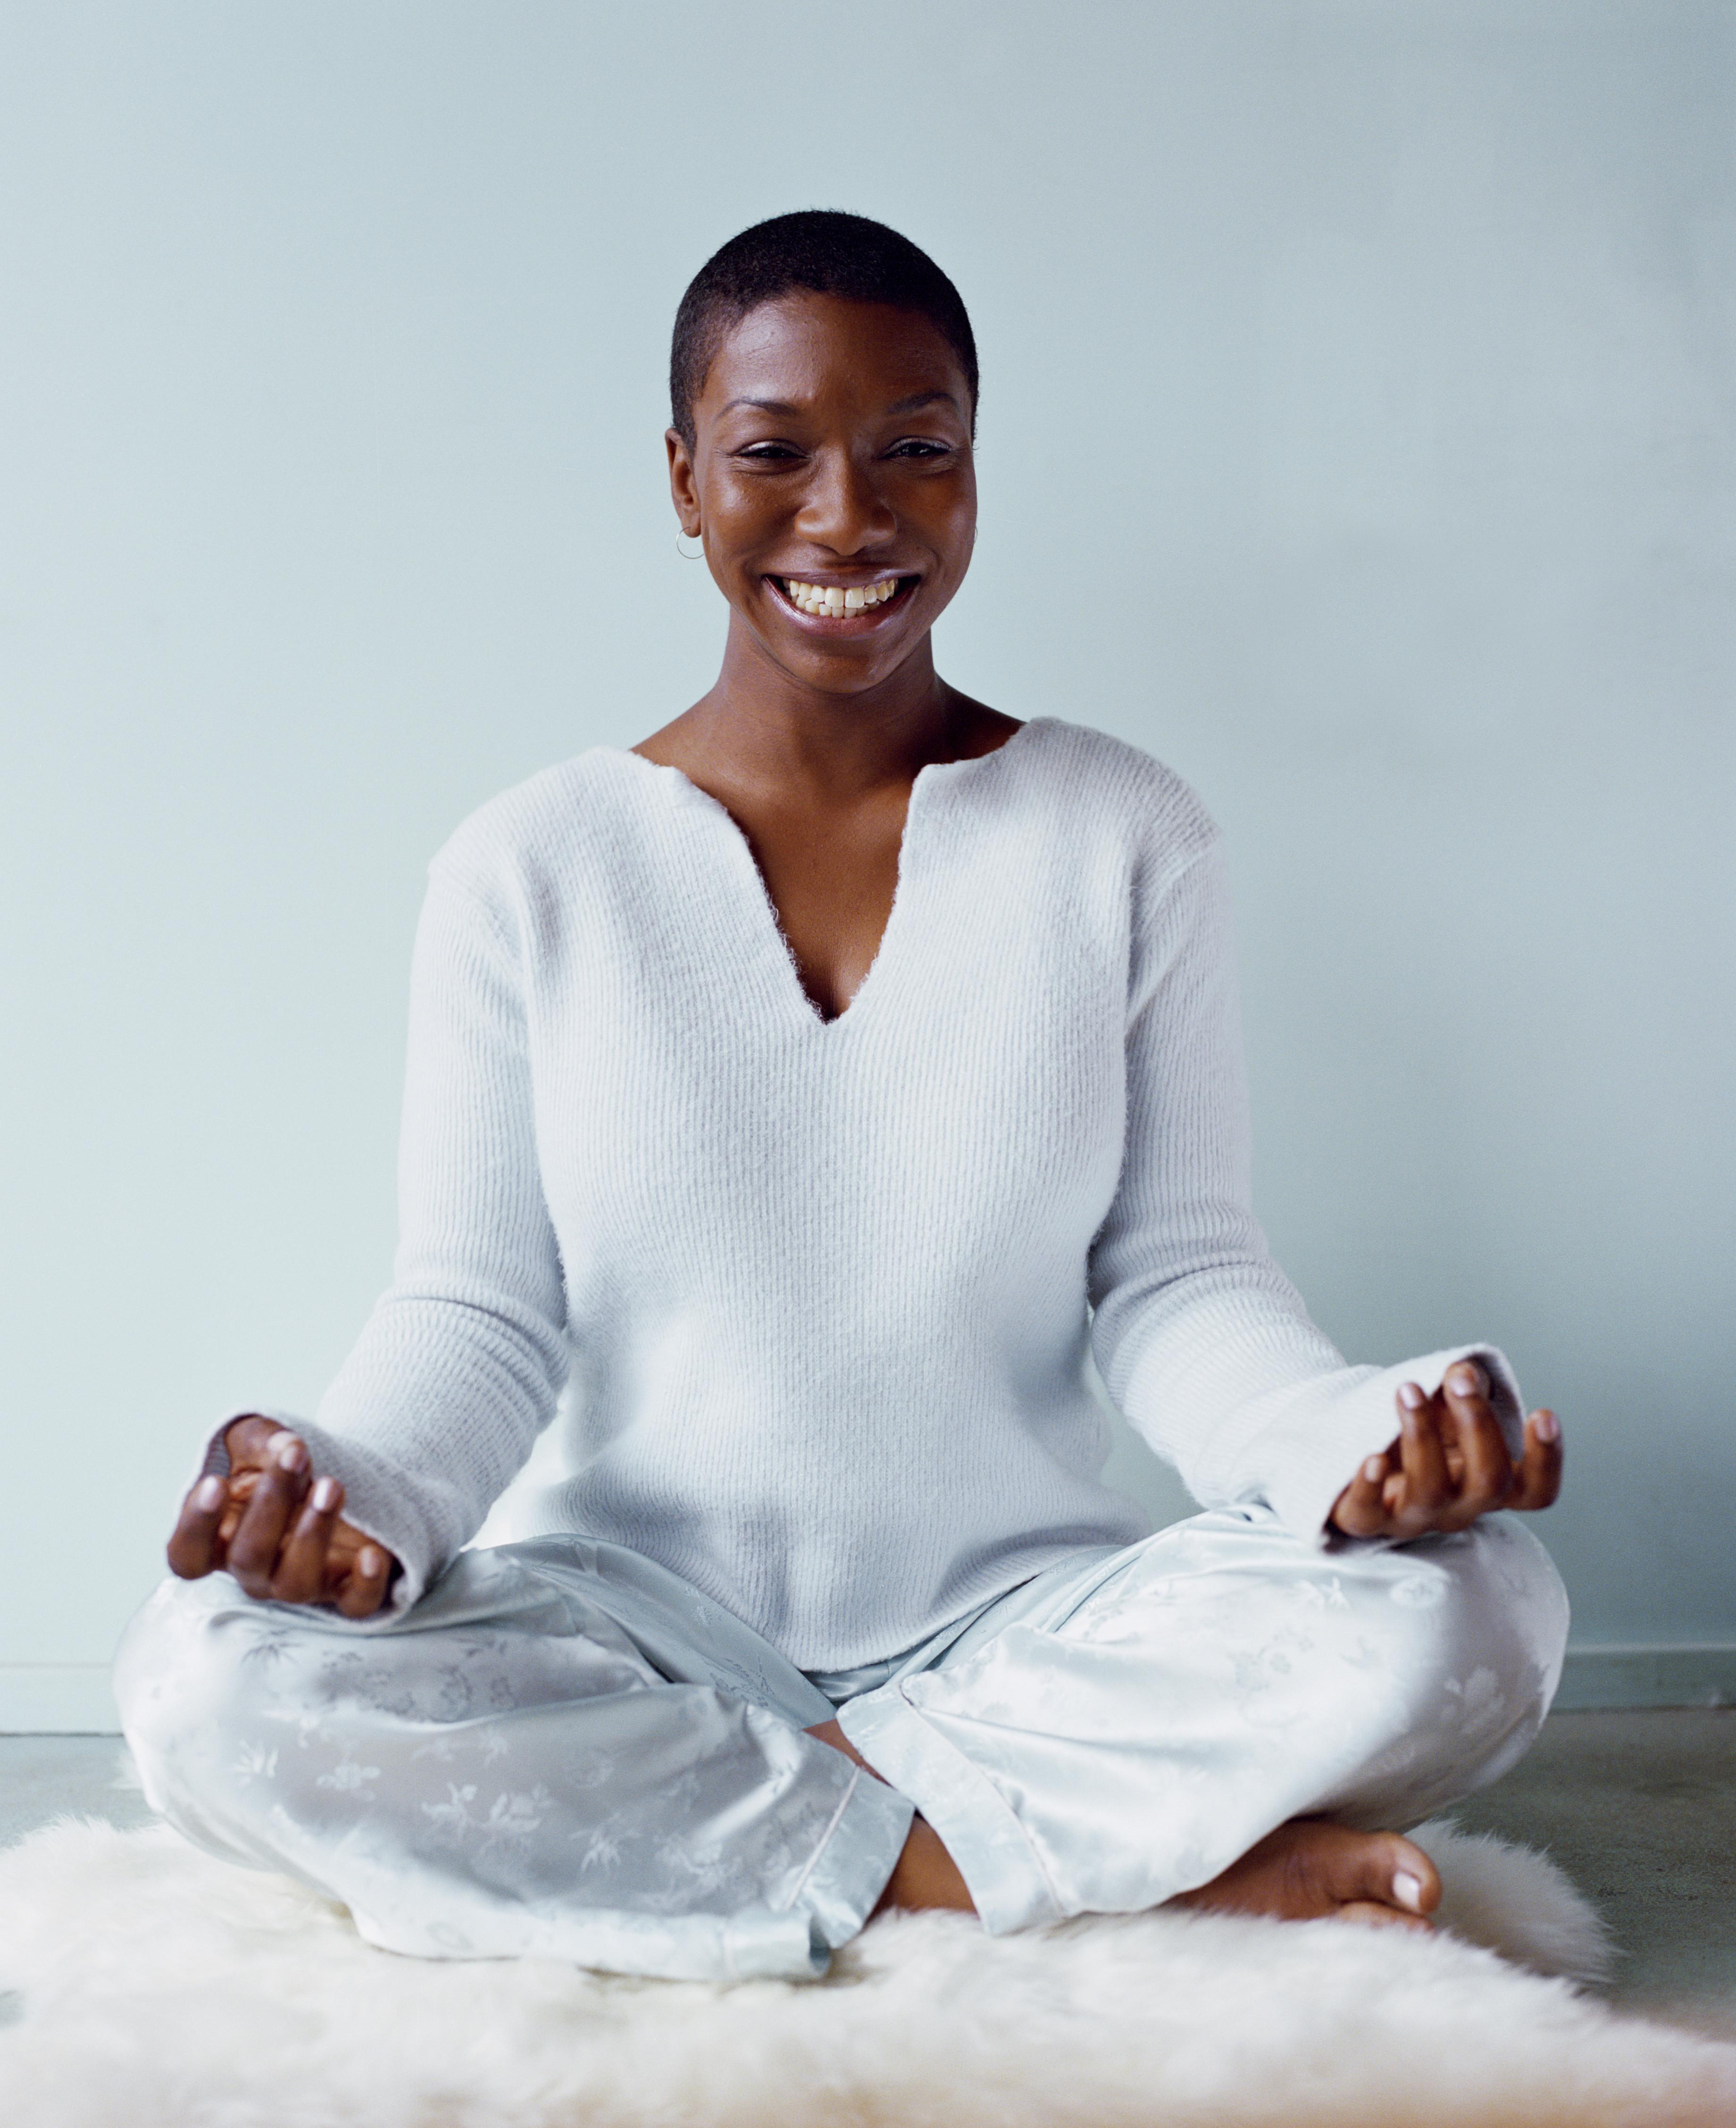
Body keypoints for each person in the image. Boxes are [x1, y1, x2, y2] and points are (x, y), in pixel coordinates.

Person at [116, 210, 1568, 1984]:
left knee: (1485, 1610)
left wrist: (1352, 1443)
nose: (849, 518)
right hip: (631, 1634)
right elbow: (479, 1312)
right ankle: (1046, 1866)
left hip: (1029, 1627)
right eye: (773, 454)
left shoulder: (1127, 833)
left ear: (975, 469)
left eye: (916, 451)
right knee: (205, 1680)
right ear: (681, 479)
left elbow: (1181, 1280)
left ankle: (778, 1853)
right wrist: (347, 1496)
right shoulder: (530, 868)